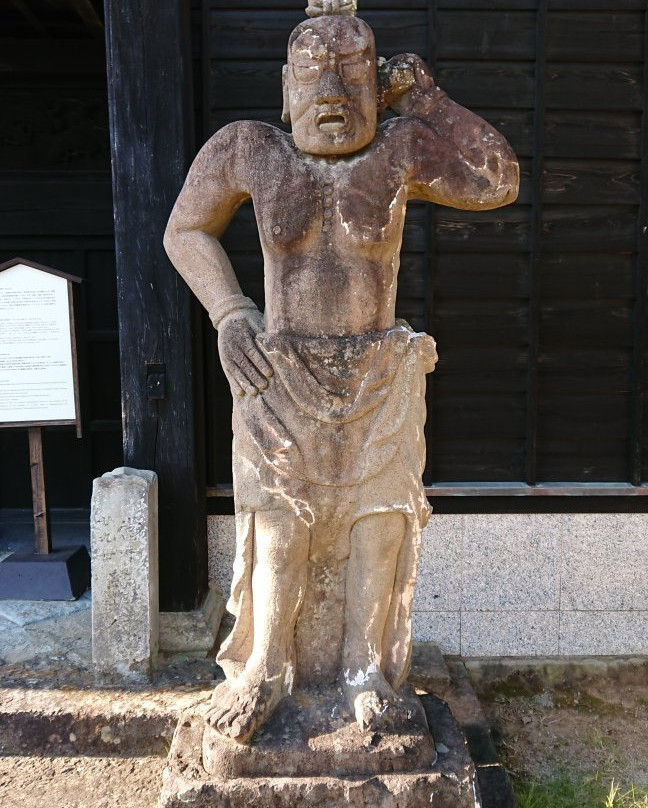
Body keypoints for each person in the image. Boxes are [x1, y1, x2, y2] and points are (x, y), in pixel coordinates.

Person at [164, 1, 518, 745]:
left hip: (379, 369)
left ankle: (365, 666)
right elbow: (184, 228)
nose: (330, 86)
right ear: (283, 86)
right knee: (278, 520)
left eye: (352, 70)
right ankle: (264, 666)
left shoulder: (399, 150)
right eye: (312, 71)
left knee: (379, 521)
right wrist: (230, 312)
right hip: (277, 369)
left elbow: (498, 180)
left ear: (377, 83)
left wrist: (426, 99)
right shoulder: (250, 148)